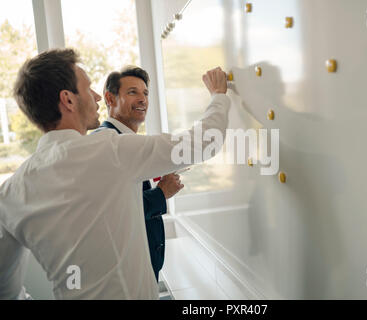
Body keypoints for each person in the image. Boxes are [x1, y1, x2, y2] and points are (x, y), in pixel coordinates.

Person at [0, 48, 230, 299]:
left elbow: (5, 290)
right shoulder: (110, 150)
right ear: (68, 100)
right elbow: (204, 142)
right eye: (89, 89)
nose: (97, 96)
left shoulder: (11, 191)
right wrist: (218, 95)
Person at [92, 66, 183, 282]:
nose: (143, 99)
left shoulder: (126, 142)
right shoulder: (106, 141)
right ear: (110, 98)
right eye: (133, 92)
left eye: (146, 93)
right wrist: (161, 193)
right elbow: (111, 209)